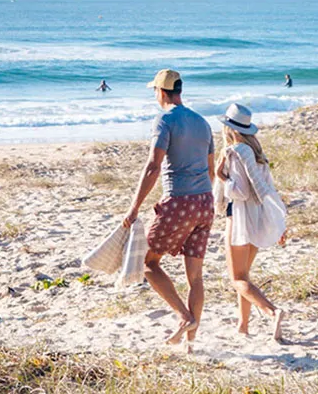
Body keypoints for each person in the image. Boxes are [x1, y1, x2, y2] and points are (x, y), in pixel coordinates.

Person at [121, 68, 214, 347]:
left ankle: (184, 317)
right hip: (205, 202)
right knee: (195, 276)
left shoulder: (164, 119)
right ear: (179, 90)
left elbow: (153, 166)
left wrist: (134, 206)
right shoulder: (203, 122)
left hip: (180, 201)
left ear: (161, 92)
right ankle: (191, 343)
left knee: (147, 263)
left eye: (155, 91)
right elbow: (210, 170)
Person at [217, 103, 288, 341]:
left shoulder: (235, 152)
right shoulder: (258, 154)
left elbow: (240, 192)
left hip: (239, 218)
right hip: (258, 216)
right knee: (244, 276)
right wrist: (278, 222)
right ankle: (243, 326)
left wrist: (221, 178)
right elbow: (266, 188)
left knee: (236, 279)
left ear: (229, 128)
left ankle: (272, 311)